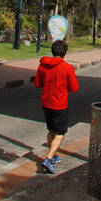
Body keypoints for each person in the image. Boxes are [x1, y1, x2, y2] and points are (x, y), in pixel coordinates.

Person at [34, 38, 79, 174]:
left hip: (46, 102)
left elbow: (38, 83)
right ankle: (48, 158)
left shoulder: (43, 66)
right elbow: (74, 87)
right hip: (59, 104)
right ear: (65, 53)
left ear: (52, 51)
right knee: (60, 133)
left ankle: (52, 154)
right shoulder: (67, 68)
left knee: (51, 130)